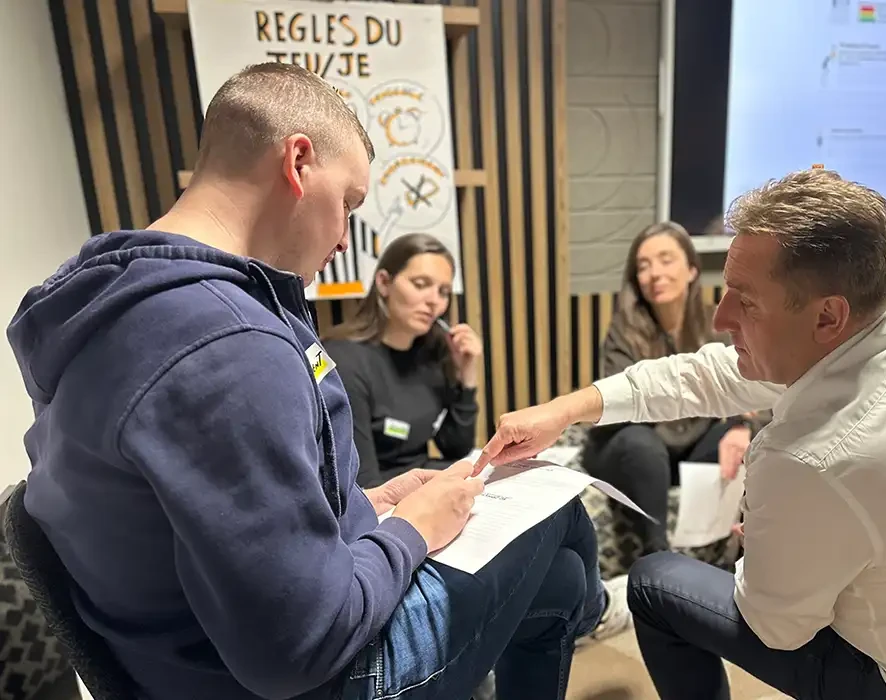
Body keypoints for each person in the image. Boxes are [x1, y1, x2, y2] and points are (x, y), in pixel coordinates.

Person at [7, 62, 606, 700]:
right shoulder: (228, 344)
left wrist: (367, 506)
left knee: (559, 583)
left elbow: (218, 519)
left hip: (174, 663)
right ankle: (598, 611)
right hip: (311, 678)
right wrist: (412, 529)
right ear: (297, 162)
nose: (345, 238)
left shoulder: (112, 304)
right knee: (557, 509)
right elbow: (299, 649)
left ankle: (585, 604)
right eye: (348, 203)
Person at [473, 169, 886, 700]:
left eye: (745, 302)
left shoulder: (808, 461)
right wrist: (566, 409)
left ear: (827, 315)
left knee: (654, 583)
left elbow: (777, 627)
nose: (721, 318)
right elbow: (712, 373)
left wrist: (768, 546)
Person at [584, 221, 760, 555]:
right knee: (643, 443)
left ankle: (733, 549)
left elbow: (747, 389)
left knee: (748, 438)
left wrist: (740, 426)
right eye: (643, 266)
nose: (655, 273)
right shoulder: (624, 331)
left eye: (666, 260)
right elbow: (628, 410)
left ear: (692, 269)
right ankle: (658, 556)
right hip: (631, 448)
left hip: (685, 446)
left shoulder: (716, 325)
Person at [323, 233, 481, 488]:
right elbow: (364, 485)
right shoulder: (344, 360)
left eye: (443, 291)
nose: (434, 301)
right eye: (420, 284)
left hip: (423, 481)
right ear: (384, 283)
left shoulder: (434, 352)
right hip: (381, 496)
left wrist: (467, 378)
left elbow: (455, 448)